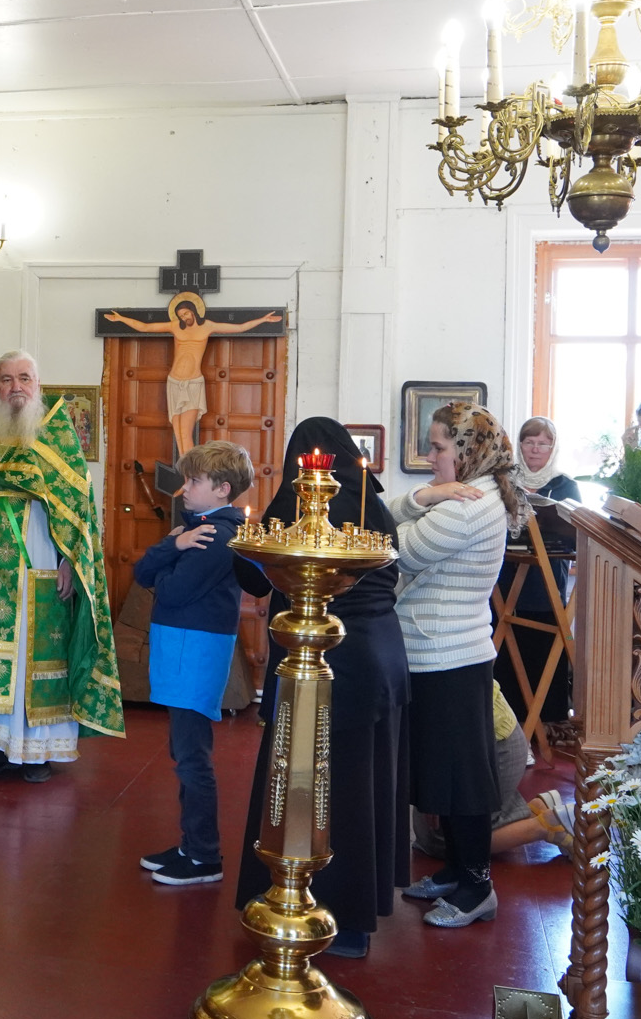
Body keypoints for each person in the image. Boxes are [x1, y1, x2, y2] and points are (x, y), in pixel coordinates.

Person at [233, 417, 410, 958]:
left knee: (315, 783)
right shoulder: (374, 504)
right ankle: (360, 913)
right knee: (363, 783)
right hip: (383, 654)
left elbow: (255, 574)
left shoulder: (298, 503)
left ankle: (319, 908)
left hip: (326, 659)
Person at [0, 350, 125, 781]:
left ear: (38, 384)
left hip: (41, 565)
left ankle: (36, 753)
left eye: (24, 378)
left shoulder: (59, 440)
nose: (15, 387)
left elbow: (78, 510)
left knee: (34, 653)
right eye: (6, 379)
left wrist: (70, 561)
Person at [390, 402, 519, 928]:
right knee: (444, 775)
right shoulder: (471, 495)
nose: (431, 457)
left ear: (467, 451)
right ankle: (456, 871)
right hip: (440, 652)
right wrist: (426, 496)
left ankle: (477, 887)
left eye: (439, 446)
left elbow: (386, 546)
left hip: (449, 657)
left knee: (462, 781)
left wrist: (419, 499)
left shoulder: (467, 505)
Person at [134, 440, 255, 887]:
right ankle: (190, 844)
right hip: (181, 646)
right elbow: (142, 575)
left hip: (195, 651)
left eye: (195, 481)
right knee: (183, 752)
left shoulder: (216, 536)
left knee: (192, 758)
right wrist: (175, 544)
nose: (184, 488)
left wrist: (171, 546)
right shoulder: (196, 530)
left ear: (223, 489)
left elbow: (168, 590)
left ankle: (204, 855)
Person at [101, 295, 282, 456]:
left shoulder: (208, 326)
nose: (184, 317)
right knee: (178, 435)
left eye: (186, 313)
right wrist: (121, 318)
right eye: (181, 315)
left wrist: (263, 319)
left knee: (186, 434)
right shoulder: (175, 327)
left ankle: (190, 474)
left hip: (193, 383)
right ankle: (186, 475)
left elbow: (239, 328)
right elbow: (145, 327)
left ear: (194, 311)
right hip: (174, 382)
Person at [413, 682, 572, 861]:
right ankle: (535, 810)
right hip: (486, 737)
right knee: (427, 830)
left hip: (487, 746)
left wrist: (435, 775)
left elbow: (447, 709)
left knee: (439, 840)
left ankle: (546, 826)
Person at [497, 416, 580, 727]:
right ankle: (509, 722)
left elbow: (576, 532)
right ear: (519, 445)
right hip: (507, 573)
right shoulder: (504, 479)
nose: (535, 449)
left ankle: (547, 723)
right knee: (507, 644)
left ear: (553, 448)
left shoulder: (565, 485)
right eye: (529, 442)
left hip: (547, 577)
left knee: (544, 643)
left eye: (543, 444)